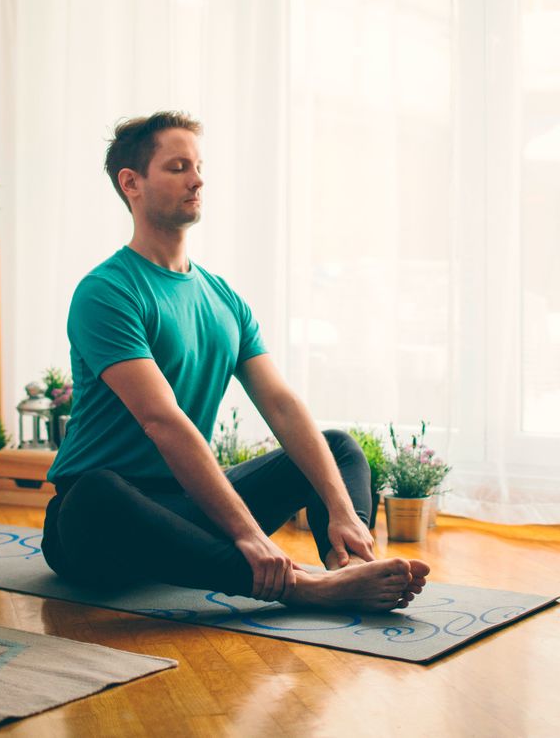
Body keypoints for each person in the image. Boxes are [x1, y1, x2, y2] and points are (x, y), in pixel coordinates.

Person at [41, 111, 429, 610]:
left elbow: (282, 406)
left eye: (199, 166)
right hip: (103, 524)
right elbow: (162, 421)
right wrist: (250, 535)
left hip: (191, 507)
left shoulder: (221, 297)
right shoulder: (107, 291)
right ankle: (301, 587)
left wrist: (340, 510)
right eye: (178, 166)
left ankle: (348, 564)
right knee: (94, 495)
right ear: (131, 183)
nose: (197, 179)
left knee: (338, 448)